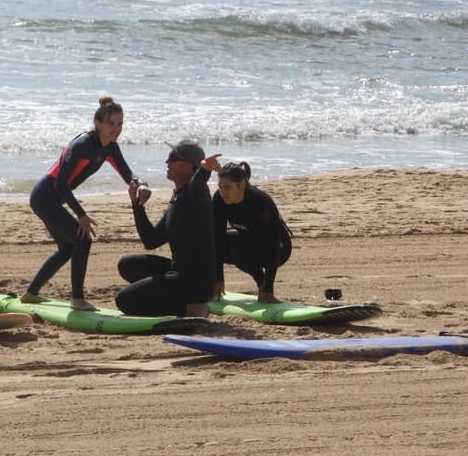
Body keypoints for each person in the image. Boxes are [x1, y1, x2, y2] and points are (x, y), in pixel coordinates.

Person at [22, 96, 143, 310]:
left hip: (54, 200)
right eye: (111, 123)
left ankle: (31, 294)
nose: (116, 129)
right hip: (44, 198)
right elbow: (60, 185)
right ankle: (77, 299)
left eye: (120, 124)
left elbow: (127, 173)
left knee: (67, 248)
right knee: (82, 240)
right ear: (98, 123)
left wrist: (140, 184)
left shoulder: (110, 147)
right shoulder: (82, 146)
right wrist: (81, 215)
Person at [115, 139, 217, 318]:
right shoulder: (178, 196)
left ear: (187, 167)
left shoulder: (196, 195)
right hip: (178, 271)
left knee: (124, 301)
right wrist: (137, 205)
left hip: (196, 283)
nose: (167, 162)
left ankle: (189, 309)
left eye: (172, 158)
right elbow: (151, 240)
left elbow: (197, 183)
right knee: (127, 265)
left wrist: (204, 169)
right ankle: (180, 301)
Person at [204, 158, 293, 303]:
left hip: (279, 248)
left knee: (238, 250)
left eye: (227, 187)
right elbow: (218, 237)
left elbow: (271, 243)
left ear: (242, 184)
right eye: (220, 187)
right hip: (246, 240)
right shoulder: (219, 200)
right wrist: (218, 280)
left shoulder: (260, 202)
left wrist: (268, 290)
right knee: (210, 243)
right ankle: (260, 282)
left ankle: (263, 287)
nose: (222, 192)